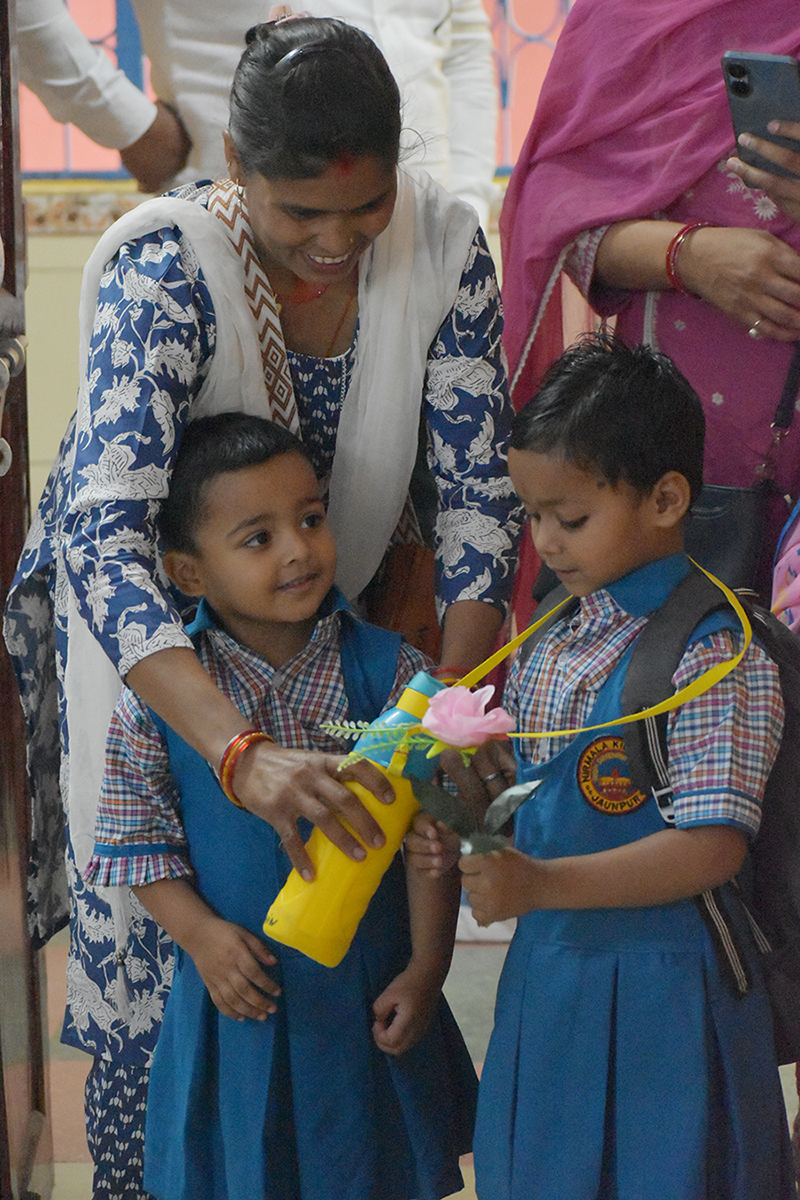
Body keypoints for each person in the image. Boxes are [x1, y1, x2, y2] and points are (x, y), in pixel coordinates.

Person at [4, 17, 518, 1199]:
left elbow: (480, 507)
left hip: (339, 648)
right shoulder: (168, 271)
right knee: (182, 1019)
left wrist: (442, 715)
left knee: (345, 973)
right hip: (161, 662)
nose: (335, 243)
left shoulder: (442, 248)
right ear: (236, 165)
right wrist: (235, 753)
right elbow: (107, 538)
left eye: (365, 207)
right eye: (298, 214)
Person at [409, 334, 795, 1199]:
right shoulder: (556, 634)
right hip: (551, 977)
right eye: (532, 517)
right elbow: (537, 803)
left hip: (671, 992)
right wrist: (469, 821)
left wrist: (539, 882)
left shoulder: (718, 653)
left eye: (571, 518)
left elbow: (712, 847)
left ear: (666, 499)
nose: (546, 543)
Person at [83, 411, 477, 1200]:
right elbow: (137, 845)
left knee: (374, 1173)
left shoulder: (393, 674)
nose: (299, 550)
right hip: (240, 999)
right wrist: (201, 939)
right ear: (189, 573)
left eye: (310, 519)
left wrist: (427, 967)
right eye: (258, 538)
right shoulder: (163, 700)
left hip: (370, 996)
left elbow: (429, 836)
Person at [499, 0, 800, 595]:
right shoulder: (624, 12)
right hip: (675, 439)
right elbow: (554, 214)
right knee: (664, 638)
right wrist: (688, 257)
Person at [18, 0, 499, 223]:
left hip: (419, 219)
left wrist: (467, 208)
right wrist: (123, 121)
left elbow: (462, 41)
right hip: (241, 218)